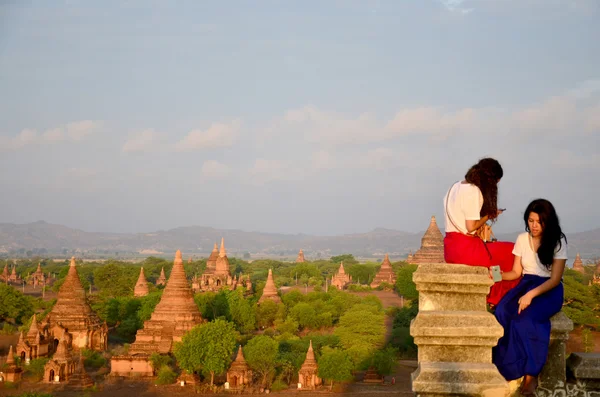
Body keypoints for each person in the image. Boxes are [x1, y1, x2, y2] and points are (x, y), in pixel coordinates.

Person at [492, 199, 567, 395]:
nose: (534, 226)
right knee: (502, 312)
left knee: (525, 320)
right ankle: (507, 368)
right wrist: (495, 275)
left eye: (539, 221)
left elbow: (555, 279)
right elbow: (516, 272)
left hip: (547, 289)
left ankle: (530, 376)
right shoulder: (522, 239)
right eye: (531, 220)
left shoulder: (557, 241)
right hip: (525, 283)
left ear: (547, 222)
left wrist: (531, 295)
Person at [443, 157, 520, 305]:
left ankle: (495, 293)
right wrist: (489, 215)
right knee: (512, 251)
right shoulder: (473, 191)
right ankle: (496, 295)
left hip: (451, 248)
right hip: (466, 250)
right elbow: (471, 226)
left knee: (501, 252)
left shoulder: (454, 186)